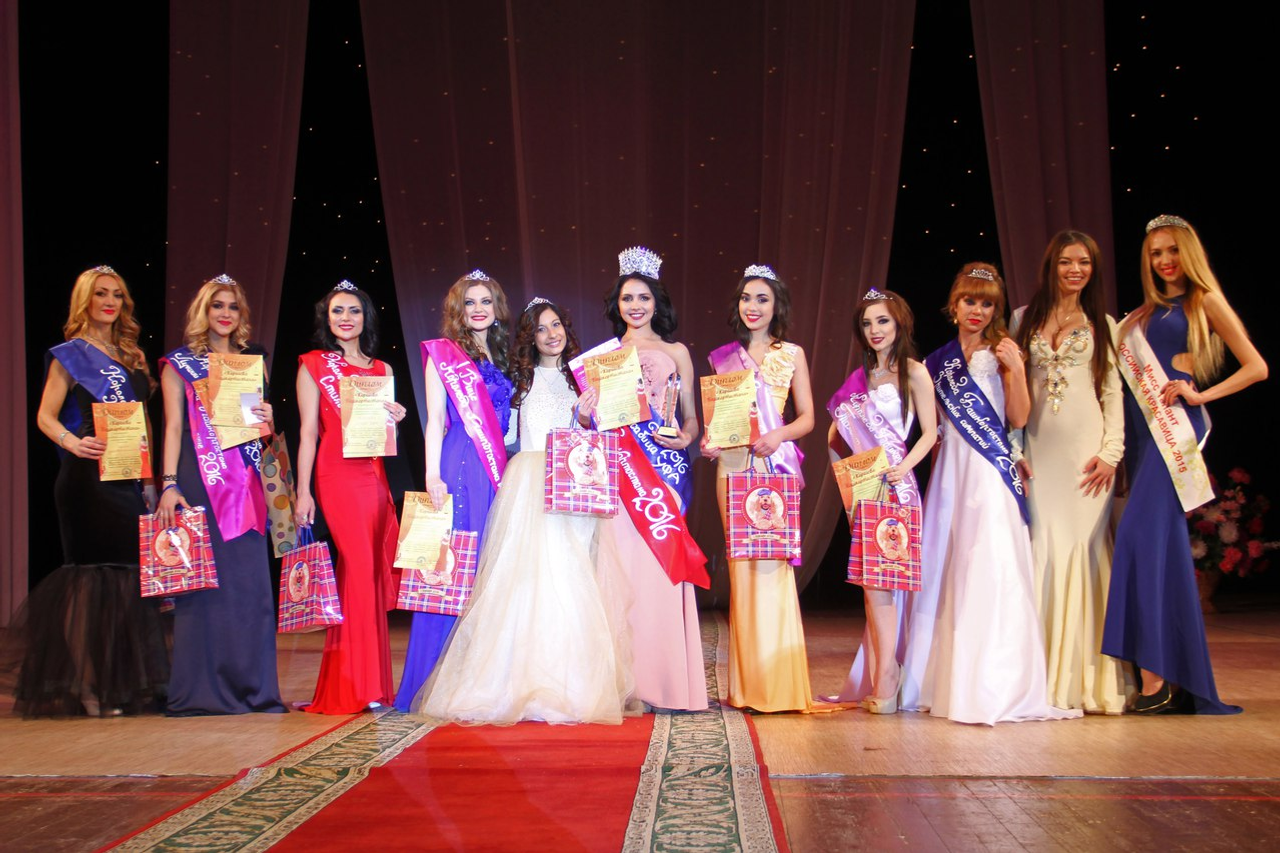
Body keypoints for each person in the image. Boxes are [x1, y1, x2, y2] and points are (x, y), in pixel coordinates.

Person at [418, 298, 633, 724]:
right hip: (529, 483)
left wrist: (585, 417)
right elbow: (504, 434)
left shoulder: (582, 379)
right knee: (525, 581)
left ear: (567, 329)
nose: (551, 334)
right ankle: (514, 682)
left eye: (557, 325)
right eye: (541, 329)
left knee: (571, 578)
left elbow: (595, 435)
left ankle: (572, 683)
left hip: (571, 485)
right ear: (530, 338)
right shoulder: (520, 379)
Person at [901, 263, 1079, 725]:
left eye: (986, 303)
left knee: (990, 563)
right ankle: (944, 681)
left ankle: (993, 685)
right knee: (949, 566)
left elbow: (1017, 417)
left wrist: (1016, 369)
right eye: (969, 301)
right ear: (954, 304)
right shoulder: (937, 361)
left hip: (989, 470)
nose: (977, 310)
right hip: (950, 473)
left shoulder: (1004, 350)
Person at [1103, 215, 1267, 714]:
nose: (1164, 261)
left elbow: (1257, 367)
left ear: (1188, 253)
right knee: (1162, 548)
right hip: (1143, 435)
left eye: (1172, 250)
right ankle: (1177, 678)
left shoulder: (1204, 301)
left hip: (1174, 429)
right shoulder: (1143, 312)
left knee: (1138, 539)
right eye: (1155, 253)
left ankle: (1156, 678)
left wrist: (1201, 395)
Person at [12, 266, 168, 716]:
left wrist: (150, 482)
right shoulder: (70, 355)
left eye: (117, 294)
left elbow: (143, 423)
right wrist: (71, 442)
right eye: (101, 294)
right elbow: (45, 416)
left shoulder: (133, 355)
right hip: (87, 479)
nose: (110, 302)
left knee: (125, 581)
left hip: (127, 475)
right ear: (86, 300)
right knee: (87, 582)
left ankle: (121, 683)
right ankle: (86, 686)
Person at [1011, 231, 1132, 714]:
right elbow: (1011, 390)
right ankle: (1036, 676)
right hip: (1039, 453)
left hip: (1087, 457)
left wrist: (1111, 453)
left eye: (1083, 262)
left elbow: (1112, 392)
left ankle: (1084, 681)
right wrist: (1014, 447)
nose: (1075, 270)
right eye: (1066, 261)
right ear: (1051, 266)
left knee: (1083, 552)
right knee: (1042, 547)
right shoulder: (1022, 319)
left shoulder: (1104, 324)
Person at [156, 274, 286, 715]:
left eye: (232, 306)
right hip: (200, 477)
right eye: (217, 306)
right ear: (203, 312)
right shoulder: (179, 364)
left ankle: (253, 688)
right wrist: (169, 483)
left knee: (248, 584)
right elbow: (173, 427)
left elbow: (260, 433)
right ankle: (201, 689)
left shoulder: (252, 361)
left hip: (246, 480)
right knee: (205, 586)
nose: (225, 314)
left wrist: (268, 417)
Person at [592, 247, 709, 712]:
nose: (635, 306)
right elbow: (595, 421)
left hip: (664, 473)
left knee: (662, 572)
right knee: (623, 575)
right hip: (622, 477)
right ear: (616, 305)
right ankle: (626, 684)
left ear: (657, 302)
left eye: (643, 297)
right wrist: (583, 413)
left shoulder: (677, 352)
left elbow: (692, 418)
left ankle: (666, 683)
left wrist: (686, 438)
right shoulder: (604, 357)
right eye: (627, 298)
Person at [393, 270, 513, 712]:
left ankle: (477, 682)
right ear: (457, 310)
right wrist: (431, 476)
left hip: (498, 468)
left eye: (485, 301)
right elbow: (435, 420)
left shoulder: (504, 353)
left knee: (485, 571)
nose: (478, 309)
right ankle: (430, 682)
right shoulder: (443, 355)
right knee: (448, 573)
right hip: (458, 465)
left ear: (496, 307)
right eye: (470, 302)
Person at [702, 265, 818, 712]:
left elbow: (807, 418)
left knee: (772, 569)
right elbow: (718, 422)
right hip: (731, 468)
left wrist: (778, 435)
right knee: (742, 571)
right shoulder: (721, 358)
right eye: (746, 298)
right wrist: (710, 443)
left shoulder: (791, 354)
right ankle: (749, 688)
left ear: (776, 306)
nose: (753, 306)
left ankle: (779, 686)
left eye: (762, 299)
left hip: (773, 467)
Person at [294, 281, 408, 714]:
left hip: (373, 476)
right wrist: (303, 491)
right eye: (338, 311)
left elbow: (383, 437)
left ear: (366, 318)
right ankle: (358, 686)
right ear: (327, 319)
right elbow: (308, 433)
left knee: (367, 575)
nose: (346, 318)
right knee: (359, 569)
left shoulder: (382, 369)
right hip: (337, 474)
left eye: (354, 311)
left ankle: (363, 683)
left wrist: (396, 417)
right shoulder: (313, 365)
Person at [823, 288, 937, 714]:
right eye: (867, 323)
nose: (875, 330)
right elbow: (834, 438)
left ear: (899, 322)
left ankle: (889, 675)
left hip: (899, 487)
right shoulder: (858, 381)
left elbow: (930, 433)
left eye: (883, 321)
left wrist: (904, 467)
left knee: (886, 583)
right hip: (866, 490)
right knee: (872, 586)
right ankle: (885, 672)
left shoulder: (915, 372)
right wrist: (846, 482)